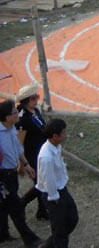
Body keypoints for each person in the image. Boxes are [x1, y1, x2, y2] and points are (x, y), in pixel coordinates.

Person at [0, 100, 41, 247]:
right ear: (6, 117)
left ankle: (2, 234)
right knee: (16, 208)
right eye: (14, 112)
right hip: (3, 176)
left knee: (4, 207)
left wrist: (25, 164)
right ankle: (30, 240)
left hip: (11, 174)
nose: (18, 113)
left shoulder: (11, 128)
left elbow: (17, 148)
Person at [37, 119, 78, 248]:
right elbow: (48, 179)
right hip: (54, 195)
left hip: (62, 189)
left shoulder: (56, 146)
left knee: (72, 219)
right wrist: (54, 198)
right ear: (55, 136)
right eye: (64, 132)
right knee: (60, 230)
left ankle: (48, 244)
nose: (66, 135)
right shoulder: (46, 157)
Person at [15, 85, 47, 222]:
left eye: (37, 97)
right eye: (34, 98)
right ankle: (22, 203)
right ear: (26, 100)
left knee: (41, 182)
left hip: (41, 152)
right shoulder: (23, 118)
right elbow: (19, 142)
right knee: (41, 184)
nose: (37, 100)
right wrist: (22, 164)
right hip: (32, 155)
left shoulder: (35, 111)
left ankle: (42, 210)